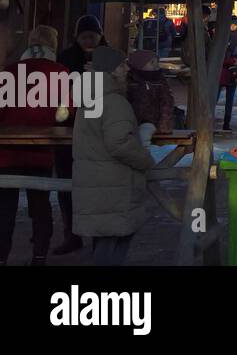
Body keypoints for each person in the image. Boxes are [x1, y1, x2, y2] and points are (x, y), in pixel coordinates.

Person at [72, 46, 154, 266]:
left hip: (95, 182)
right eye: (121, 65)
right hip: (113, 184)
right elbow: (119, 143)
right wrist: (145, 159)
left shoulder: (90, 99)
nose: (127, 69)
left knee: (104, 243)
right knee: (113, 246)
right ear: (110, 71)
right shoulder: (114, 101)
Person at [0, 27, 72, 266]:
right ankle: (39, 256)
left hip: (7, 153)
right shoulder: (61, 73)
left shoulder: (9, 73)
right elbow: (65, 113)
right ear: (53, 44)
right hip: (41, 151)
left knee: (4, 209)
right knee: (40, 207)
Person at [51, 14, 104, 256]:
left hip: (98, 129)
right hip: (69, 128)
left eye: (92, 36)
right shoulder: (65, 58)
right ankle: (71, 234)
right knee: (67, 184)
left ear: (99, 35)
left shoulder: (110, 57)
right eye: (84, 36)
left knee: (97, 186)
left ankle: (98, 239)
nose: (89, 41)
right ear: (77, 37)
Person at [125, 50, 175, 134]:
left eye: (157, 62)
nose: (156, 65)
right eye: (152, 62)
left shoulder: (160, 81)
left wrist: (164, 124)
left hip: (156, 125)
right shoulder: (130, 81)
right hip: (133, 125)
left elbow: (167, 102)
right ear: (140, 64)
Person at [219, 17, 237, 132]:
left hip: (231, 72)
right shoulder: (224, 36)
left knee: (229, 100)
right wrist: (232, 61)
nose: (233, 26)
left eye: (234, 24)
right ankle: (209, 121)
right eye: (231, 24)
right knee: (215, 99)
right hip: (224, 71)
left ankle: (226, 123)